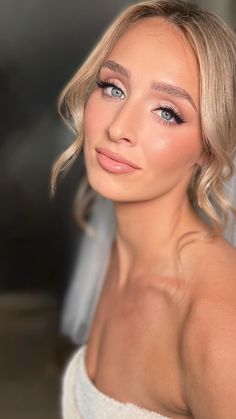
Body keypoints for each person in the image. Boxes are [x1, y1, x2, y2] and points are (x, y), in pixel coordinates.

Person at [52, 1, 236, 417]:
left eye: (167, 112)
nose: (118, 128)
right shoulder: (115, 251)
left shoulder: (218, 326)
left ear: (208, 149)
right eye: (113, 88)